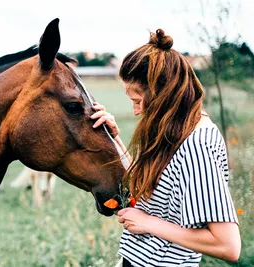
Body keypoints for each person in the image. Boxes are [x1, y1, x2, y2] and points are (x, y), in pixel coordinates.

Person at [90, 29, 241, 267]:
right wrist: (114, 138)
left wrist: (147, 223)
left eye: (138, 101)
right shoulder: (176, 132)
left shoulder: (197, 146)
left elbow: (227, 245)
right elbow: (154, 191)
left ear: (163, 95)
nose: (136, 111)